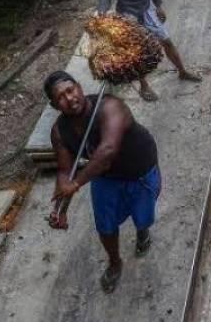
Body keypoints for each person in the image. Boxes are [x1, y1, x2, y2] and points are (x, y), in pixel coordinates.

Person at [46, 70, 161, 293]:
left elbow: (107, 151)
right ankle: (115, 262)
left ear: (79, 86)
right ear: (54, 105)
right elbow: (64, 170)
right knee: (105, 224)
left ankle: (142, 232)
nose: (69, 98)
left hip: (138, 168)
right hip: (105, 177)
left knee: (143, 215)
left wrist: (76, 183)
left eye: (70, 90)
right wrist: (61, 208)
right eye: (61, 97)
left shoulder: (110, 107)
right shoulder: (59, 131)